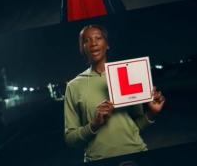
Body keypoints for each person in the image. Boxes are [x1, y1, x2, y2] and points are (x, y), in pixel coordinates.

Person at [64, 25, 166, 162]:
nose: (93, 43)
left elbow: (135, 126)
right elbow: (70, 139)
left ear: (107, 44)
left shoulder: (126, 73)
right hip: (97, 159)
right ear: (82, 48)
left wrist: (152, 113)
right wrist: (94, 124)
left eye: (98, 38)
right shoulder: (73, 86)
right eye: (86, 40)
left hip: (135, 154)